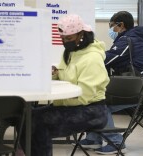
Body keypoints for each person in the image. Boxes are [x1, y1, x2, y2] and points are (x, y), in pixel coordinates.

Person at [18, 14, 110, 156]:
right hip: (69, 106)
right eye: (62, 38)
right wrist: (54, 74)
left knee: (38, 123)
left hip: (92, 111)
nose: (65, 42)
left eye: (68, 38)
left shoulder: (93, 58)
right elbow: (61, 73)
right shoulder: (70, 52)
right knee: (25, 118)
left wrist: (59, 98)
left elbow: (84, 95)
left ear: (81, 34)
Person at [75, 11, 143, 155]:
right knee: (96, 97)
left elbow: (105, 60)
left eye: (112, 26)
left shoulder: (128, 40)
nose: (111, 30)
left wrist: (82, 62)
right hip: (141, 85)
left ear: (121, 25)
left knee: (97, 102)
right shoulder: (132, 38)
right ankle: (94, 139)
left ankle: (115, 142)